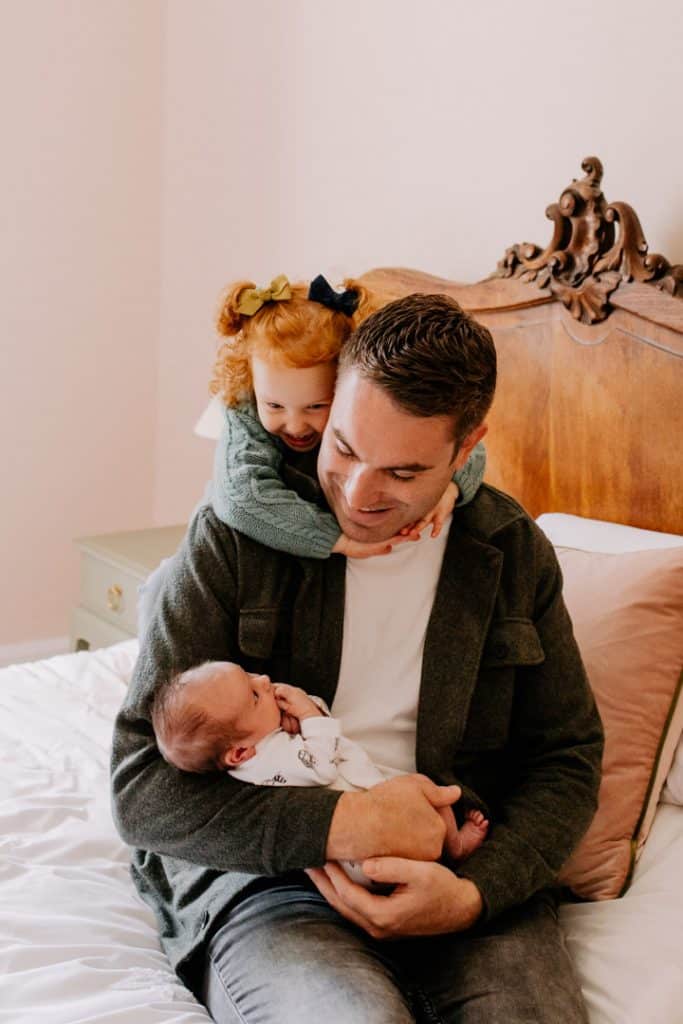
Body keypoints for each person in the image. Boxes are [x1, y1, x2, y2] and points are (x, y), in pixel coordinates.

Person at [111, 292, 603, 1023]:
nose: (359, 491)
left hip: (464, 874)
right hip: (274, 878)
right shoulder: (235, 532)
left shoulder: (509, 551)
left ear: (467, 449)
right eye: (343, 447)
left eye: (403, 473)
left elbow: (565, 755)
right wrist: (347, 824)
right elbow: (142, 787)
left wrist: (474, 892)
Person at [136, 273, 486, 633]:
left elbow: (464, 450)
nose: (295, 424)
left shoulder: (365, 416)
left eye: (316, 406)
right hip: (224, 541)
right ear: (251, 385)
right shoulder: (243, 410)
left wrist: (452, 484)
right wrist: (336, 539)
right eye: (274, 405)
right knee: (166, 591)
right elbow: (242, 498)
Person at [149, 660, 489, 886]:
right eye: (254, 695)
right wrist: (309, 712)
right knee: (425, 787)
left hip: (370, 840)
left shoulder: (258, 749)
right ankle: (454, 846)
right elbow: (322, 763)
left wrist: (301, 717)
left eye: (250, 675)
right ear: (239, 753)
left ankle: (446, 859)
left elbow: (314, 739)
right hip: (370, 845)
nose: (264, 680)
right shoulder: (271, 760)